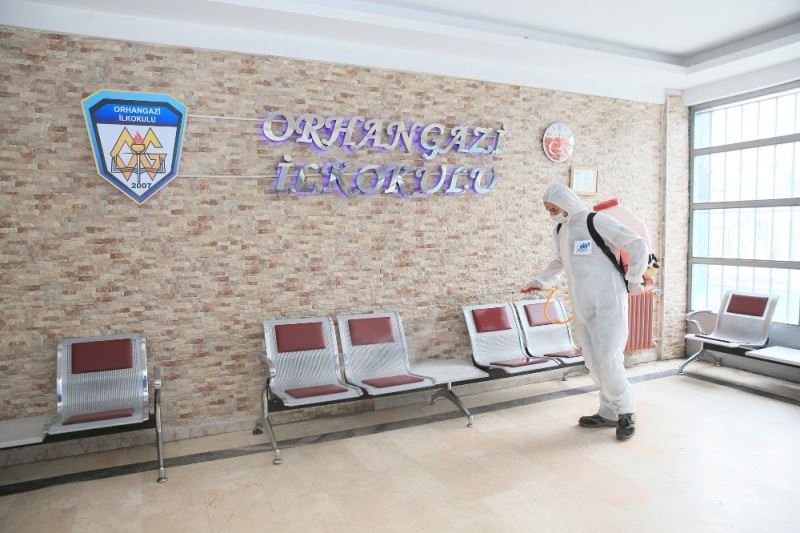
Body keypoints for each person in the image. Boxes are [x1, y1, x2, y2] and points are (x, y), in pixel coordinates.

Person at [522, 184, 649, 440]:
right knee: (592, 360)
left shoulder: (596, 221)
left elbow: (637, 244)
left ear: (566, 203)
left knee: (609, 358)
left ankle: (626, 412)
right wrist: (539, 282)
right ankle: (608, 411)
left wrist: (635, 278)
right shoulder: (560, 229)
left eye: (554, 209)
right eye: (549, 210)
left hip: (609, 299)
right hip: (582, 302)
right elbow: (558, 262)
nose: (552, 214)